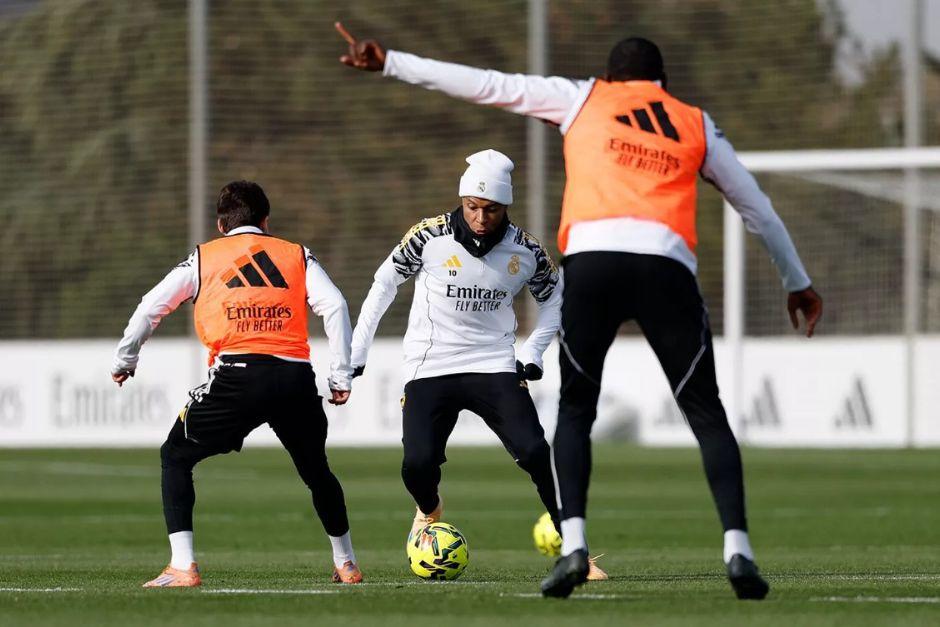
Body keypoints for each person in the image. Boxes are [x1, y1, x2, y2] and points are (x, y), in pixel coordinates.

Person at [335, 25, 823, 600]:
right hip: (661, 269)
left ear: (610, 80)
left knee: (569, 418)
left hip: (581, 277)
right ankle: (737, 549)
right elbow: (756, 207)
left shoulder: (582, 99)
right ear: (661, 83)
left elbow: (487, 85)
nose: (481, 215)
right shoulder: (693, 120)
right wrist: (798, 281)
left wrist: (391, 61)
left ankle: (575, 546)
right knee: (705, 411)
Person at [350, 149, 605, 580]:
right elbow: (383, 283)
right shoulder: (428, 236)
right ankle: (429, 510)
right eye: (472, 207)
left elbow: (556, 300)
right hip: (430, 363)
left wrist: (533, 351)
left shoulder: (525, 250)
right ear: (462, 200)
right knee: (416, 464)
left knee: (536, 452)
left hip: (493, 363)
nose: (481, 217)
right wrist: (356, 354)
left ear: (506, 206)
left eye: (491, 209)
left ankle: (577, 552)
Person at [111, 180, 363, 587]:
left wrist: (126, 358)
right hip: (294, 377)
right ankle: (346, 562)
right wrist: (340, 373)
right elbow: (334, 304)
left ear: (220, 224)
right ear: (266, 221)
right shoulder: (296, 254)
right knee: (317, 471)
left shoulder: (203, 257)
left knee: (175, 456)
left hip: (238, 376)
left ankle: (182, 566)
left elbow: (150, 307)